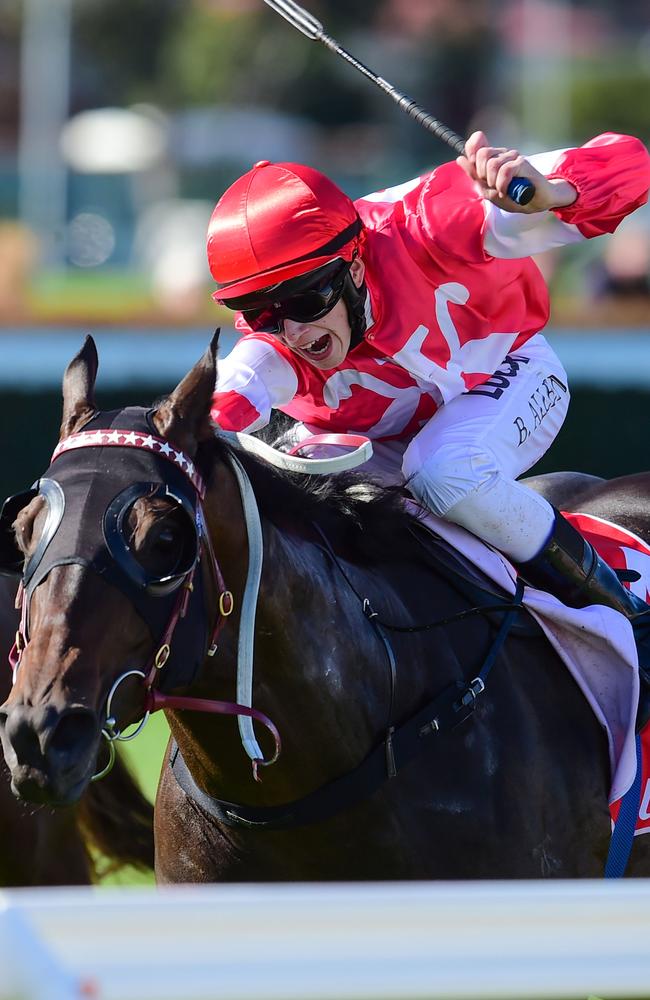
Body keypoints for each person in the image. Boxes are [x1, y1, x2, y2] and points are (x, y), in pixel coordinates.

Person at [206, 131, 650, 639]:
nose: (294, 333)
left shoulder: (434, 222)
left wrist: (552, 194)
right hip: (387, 444)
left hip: (514, 372)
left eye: (306, 302)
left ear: (353, 264)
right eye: (262, 312)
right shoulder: (271, 350)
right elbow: (211, 408)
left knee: (444, 468)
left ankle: (628, 616)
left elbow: (632, 163)